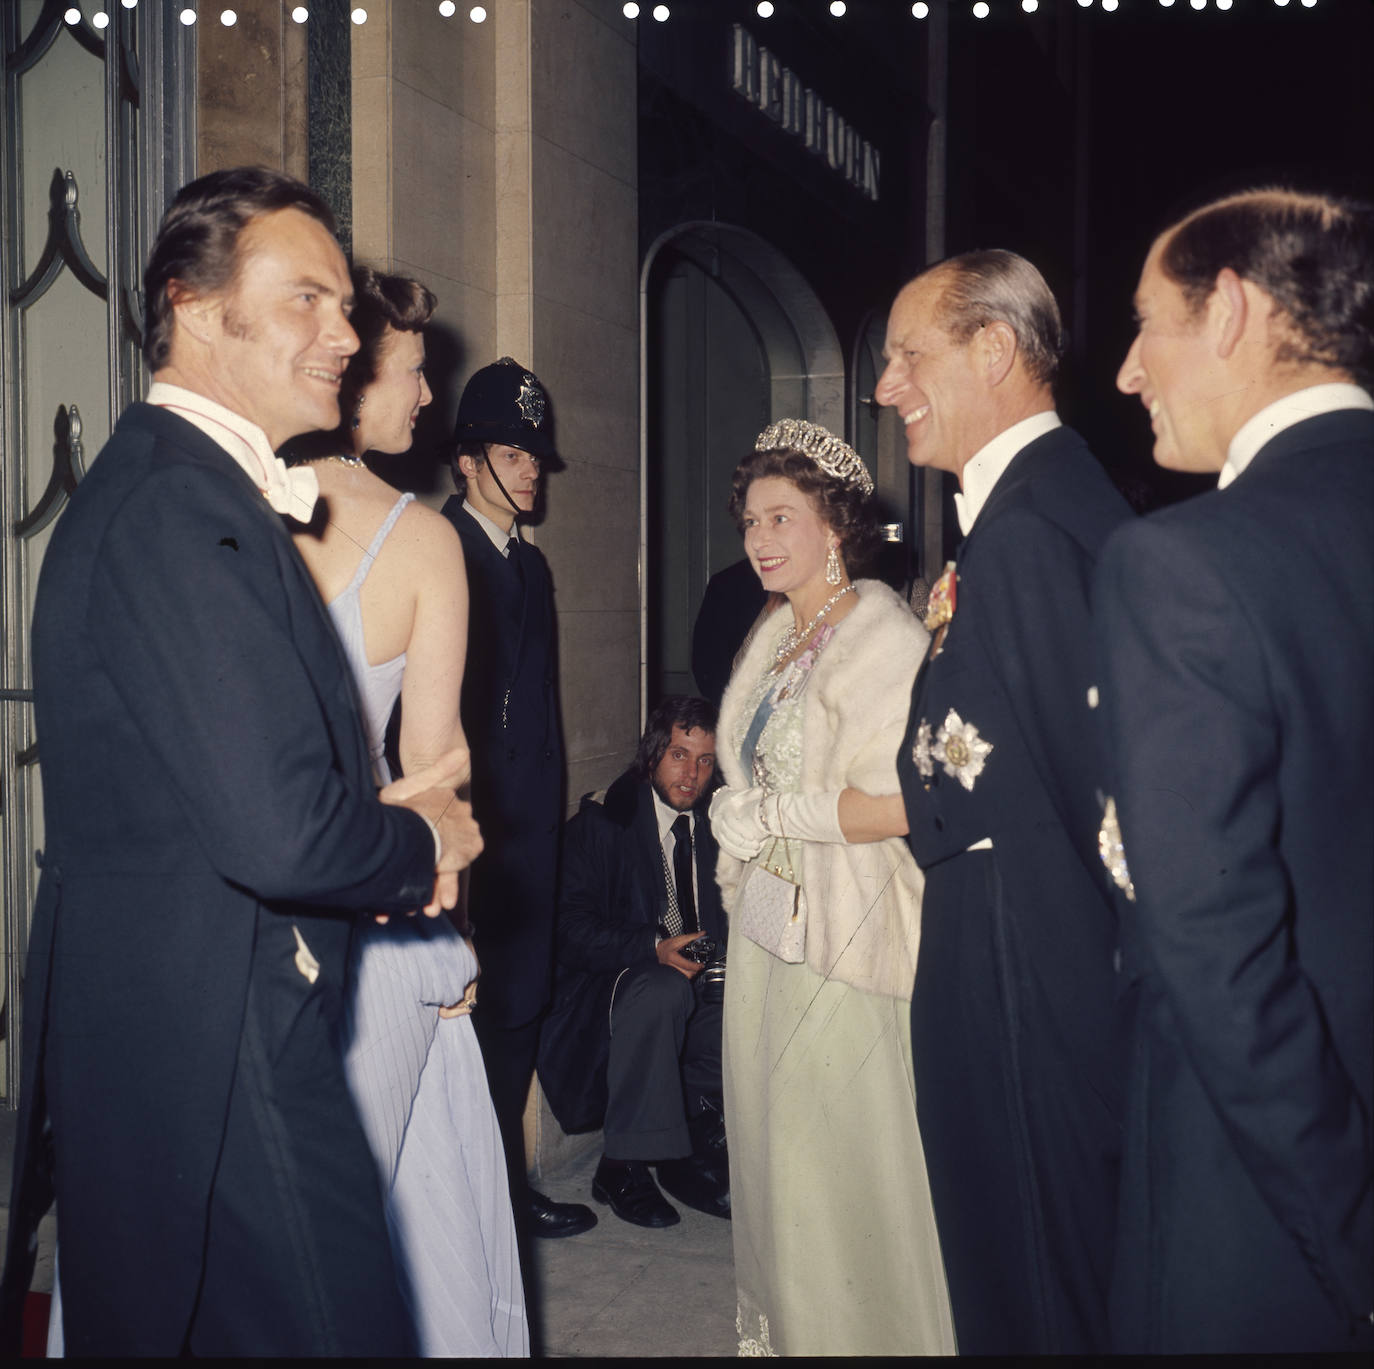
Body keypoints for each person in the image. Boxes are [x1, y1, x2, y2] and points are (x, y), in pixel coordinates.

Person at [0, 168, 480, 1357]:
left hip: (187, 1019)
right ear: (197, 310)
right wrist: (428, 838)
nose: (348, 330)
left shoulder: (184, 490)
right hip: (218, 1041)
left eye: (346, 305)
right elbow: (283, 831)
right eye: (308, 299)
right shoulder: (177, 507)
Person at [1095, 189, 1374, 1355]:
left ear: (1233, 312)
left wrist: (1354, 1244)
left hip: (1271, 1208)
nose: (1124, 371)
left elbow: (1213, 946)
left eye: (1146, 322)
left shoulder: (1182, 564)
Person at [874, 250, 1132, 1354]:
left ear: (994, 349)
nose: (886, 385)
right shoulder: (1043, 506)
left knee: (1028, 1289)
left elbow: (1098, 799)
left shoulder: (1028, 532)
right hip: (1030, 950)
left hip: (1024, 963)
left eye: (907, 355)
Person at [286, 266, 527, 1355]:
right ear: (351, 377)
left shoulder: (224, 507)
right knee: (402, 1223)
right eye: (416, 371)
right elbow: (437, 772)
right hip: (374, 912)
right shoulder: (420, 539)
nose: (429, 397)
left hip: (250, 913)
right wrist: (453, 934)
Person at [708, 419, 954, 1357]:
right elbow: (758, 764)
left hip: (846, 941)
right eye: (751, 521)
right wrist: (745, 812)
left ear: (835, 527)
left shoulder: (882, 632)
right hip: (771, 932)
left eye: (783, 517)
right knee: (774, 1164)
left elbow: (897, 807)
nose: (762, 539)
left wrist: (777, 816)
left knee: (831, 1169)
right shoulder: (778, 628)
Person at [441, 360, 596, 1241]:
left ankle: (501, 1193)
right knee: (468, 1019)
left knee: (517, 1014)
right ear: (468, 462)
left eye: (536, 455)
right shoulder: (444, 552)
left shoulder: (529, 568)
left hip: (531, 838)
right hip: (473, 840)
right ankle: (465, 1205)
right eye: (511, 451)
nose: (531, 470)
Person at [539, 696, 729, 1228]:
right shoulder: (604, 824)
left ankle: (694, 1142)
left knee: (752, 994)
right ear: (651, 756)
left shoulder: (717, 822)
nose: (691, 774)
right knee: (663, 988)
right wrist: (653, 947)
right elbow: (566, 930)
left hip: (698, 973)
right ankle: (622, 1165)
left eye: (705, 760)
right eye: (678, 755)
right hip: (611, 990)